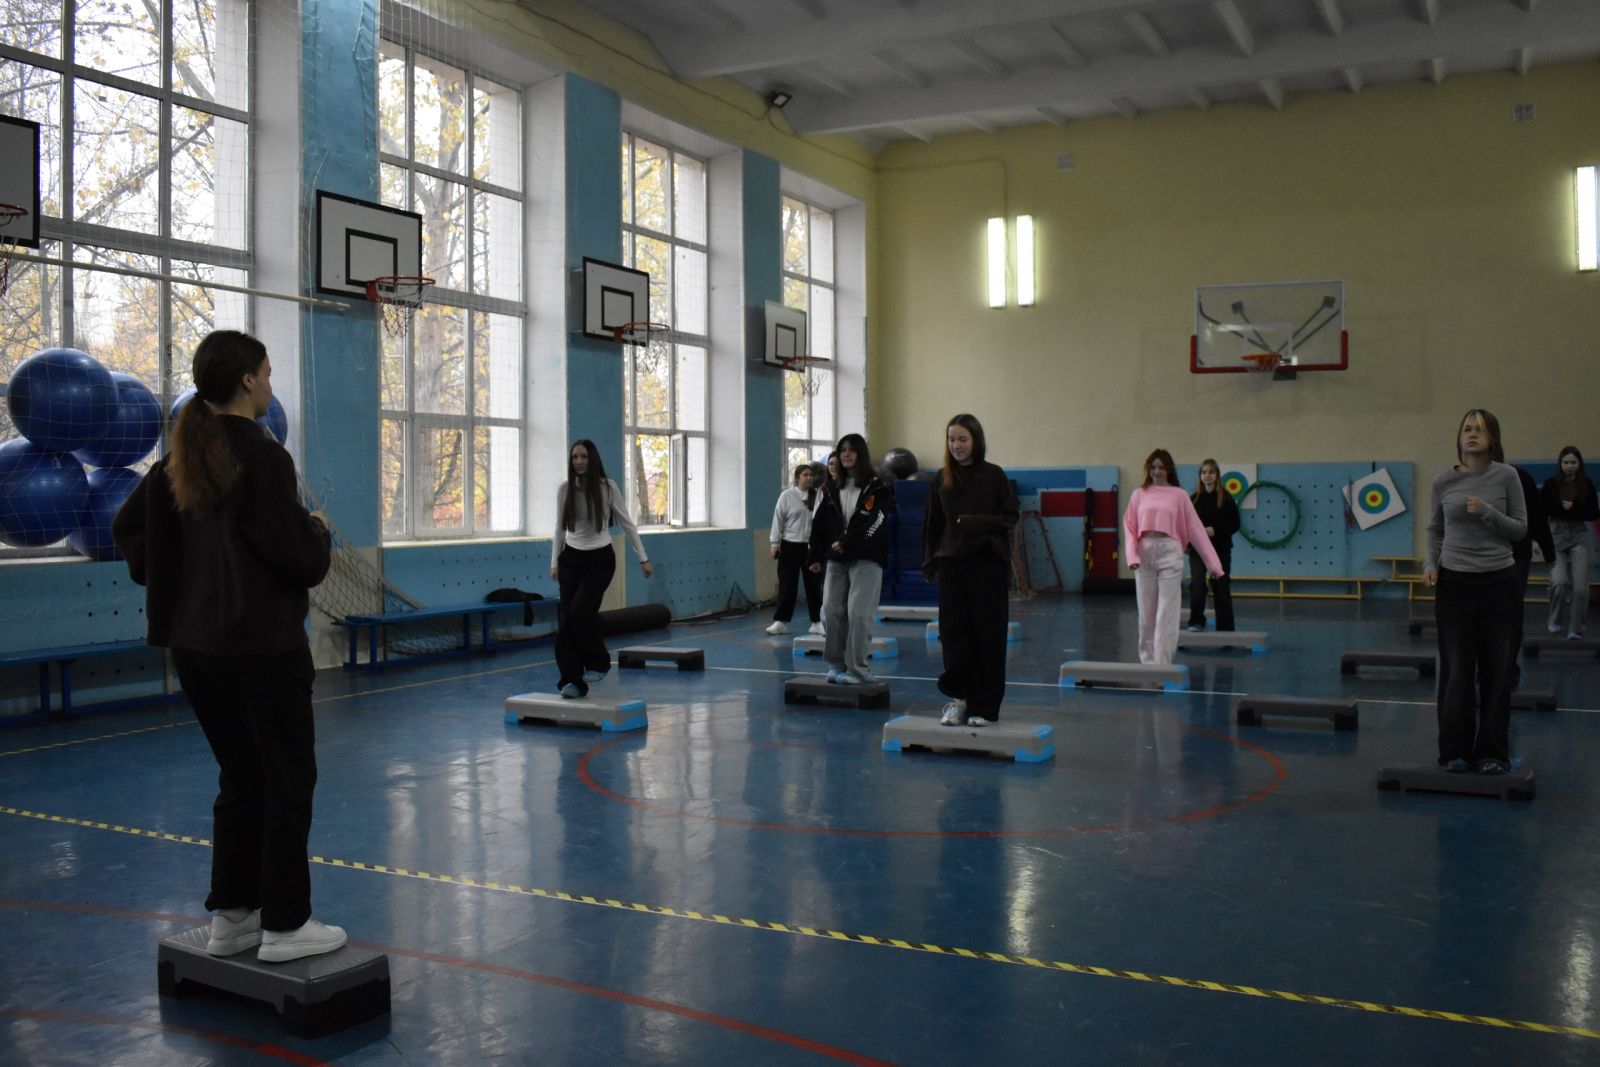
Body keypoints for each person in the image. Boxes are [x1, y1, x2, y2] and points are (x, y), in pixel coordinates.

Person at [111, 329, 344, 964]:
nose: (269, 384)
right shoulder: (263, 457)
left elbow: (128, 529)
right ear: (247, 380)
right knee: (287, 782)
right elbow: (299, 559)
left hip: (195, 650)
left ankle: (234, 915)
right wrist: (316, 530)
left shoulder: (179, 457)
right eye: (266, 373)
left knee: (240, 777)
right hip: (261, 648)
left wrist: (177, 575)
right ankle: (286, 926)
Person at [1423, 409, 1526, 775]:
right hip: (1455, 584)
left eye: (1479, 430)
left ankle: (1493, 753)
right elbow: (1434, 529)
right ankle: (1455, 751)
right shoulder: (1443, 481)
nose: (1472, 434)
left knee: (1497, 671)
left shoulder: (1507, 476)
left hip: (1499, 583)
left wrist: (1488, 512)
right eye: (1467, 428)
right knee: (1456, 670)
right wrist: (1430, 563)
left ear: (1492, 438)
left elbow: (1520, 530)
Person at [922, 414, 1019, 727]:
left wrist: (976, 522)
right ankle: (959, 700)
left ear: (975, 440)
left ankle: (985, 707)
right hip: (951, 566)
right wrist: (929, 560)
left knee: (988, 635)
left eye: (962, 439)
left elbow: (1010, 516)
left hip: (987, 565)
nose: (956, 445)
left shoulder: (994, 475)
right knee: (953, 633)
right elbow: (933, 523)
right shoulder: (942, 478)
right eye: (951, 439)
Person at [551, 440, 652, 698]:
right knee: (566, 622)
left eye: (584, 457)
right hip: (570, 559)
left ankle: (598, 662)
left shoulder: (608, 488)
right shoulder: (565, 489)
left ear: (592, 459)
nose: (579, 461)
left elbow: (627, 524)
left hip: (600, 560)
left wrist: (643, 558)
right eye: (575, 457)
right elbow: (559, 528)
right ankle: (572, 681)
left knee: (580, 612)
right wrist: (554, 563)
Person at [808, 433, 895, 684]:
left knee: (859, 614)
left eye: (851, 450)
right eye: (842, 450)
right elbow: (820, 525)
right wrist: (815, 555)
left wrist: (848, 541)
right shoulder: (831, 488)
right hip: (837, 560)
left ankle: (858, 670)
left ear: (861, 454)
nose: (846, 454)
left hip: (867, 559)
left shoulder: (876, 487)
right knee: (830, 611)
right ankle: (836, 665)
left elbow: (875, 523)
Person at [1123, 449, 1223, 666]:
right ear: (1148, 469)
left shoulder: (1179, 495)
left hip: (1170, 551)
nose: (1157, 471)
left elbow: (1196, 529)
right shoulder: (1138, 494)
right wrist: (1131, 556)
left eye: (1161, 467)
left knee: (1166, 612)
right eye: (1153, 467)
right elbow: (1130, 527)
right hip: (1144, 553)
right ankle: (1148, 663)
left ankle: (1163, 664)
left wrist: (1214, 565)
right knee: (1146, 613)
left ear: (1169, 469)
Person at [1541, 447, 1598, 639]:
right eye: (1566, 462)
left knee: (1580, 587)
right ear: (1560, 464)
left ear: (1579, 464)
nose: (1570, 466)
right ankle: (1555, 618)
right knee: (1559, 582)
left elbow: (1593, 512)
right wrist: (1537, 539)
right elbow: (1543, 512)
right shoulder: (1551, 484)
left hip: (1578, 534)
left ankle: (1576, 627)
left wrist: (1574, 507)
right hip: (1556, 533)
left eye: (1573, 462)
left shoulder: (1586, 485)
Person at [1509, 461, 1553, 689]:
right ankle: (1483, 668)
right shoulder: (1468, 478)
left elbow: (1537, 515)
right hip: (1482, 555)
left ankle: (1508, 668)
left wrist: (1548, 551)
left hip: (1516, 552)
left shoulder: (1520, 477)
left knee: (1511, 611)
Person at [767, 464, 825, 636]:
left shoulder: (818, 496)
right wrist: (774, 543)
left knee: (813, 586)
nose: (809, 478)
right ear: (797, 478)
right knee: (787, 585)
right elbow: (778, 519)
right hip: (789, 545)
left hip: (810, 547)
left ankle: (817, 622)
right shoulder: (787, 496)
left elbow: (822, 521)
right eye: (805, 475)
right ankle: (781, 622)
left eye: (811, 475)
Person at [1185, 458, 1240, 633]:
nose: (1207, 475)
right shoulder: (1193, 499)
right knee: (1198, 585)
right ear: (1200, 476)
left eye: (1211, 472)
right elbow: (1186, 525)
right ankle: (1196, 621)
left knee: (1221, 586)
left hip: (1220, 549)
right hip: (1198, 550)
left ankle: (1225, 627)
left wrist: (1215, 530)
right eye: (1204, 472)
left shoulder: (1226, 498)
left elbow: (1235, 524)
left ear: (1217, 475)